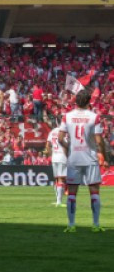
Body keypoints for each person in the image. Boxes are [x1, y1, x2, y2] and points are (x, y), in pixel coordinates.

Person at [58, 88, 107, 232]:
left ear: (75, 101)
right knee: (94, 192)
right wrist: (104, 155)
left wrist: (69, 148)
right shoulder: (94, 117)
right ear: (89, 101)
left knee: (72, 193)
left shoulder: (67, 116)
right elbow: (99, 141)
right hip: (90, 158)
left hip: (74, 159)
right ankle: (96, 225)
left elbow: (60, 139)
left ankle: (71, 225)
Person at [46, 124, 68, 207]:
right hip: (62, 157)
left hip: (54, 157)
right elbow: (64, 146)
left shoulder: (52, 131)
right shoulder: (64, 132)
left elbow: (47, 146)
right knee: (61, 179)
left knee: (56, 179)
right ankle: (59, 202)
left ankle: (57, 200)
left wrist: (51, 155)